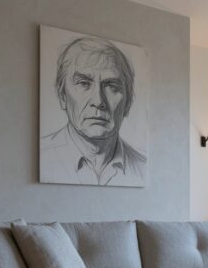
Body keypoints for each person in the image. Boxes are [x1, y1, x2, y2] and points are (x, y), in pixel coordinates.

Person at [41, 37, 146, 186]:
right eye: (84, 84)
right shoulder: (42, 155)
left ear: (128, 103)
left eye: (112, 86)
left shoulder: (143, 167)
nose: (98, 101)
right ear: (62, 96)